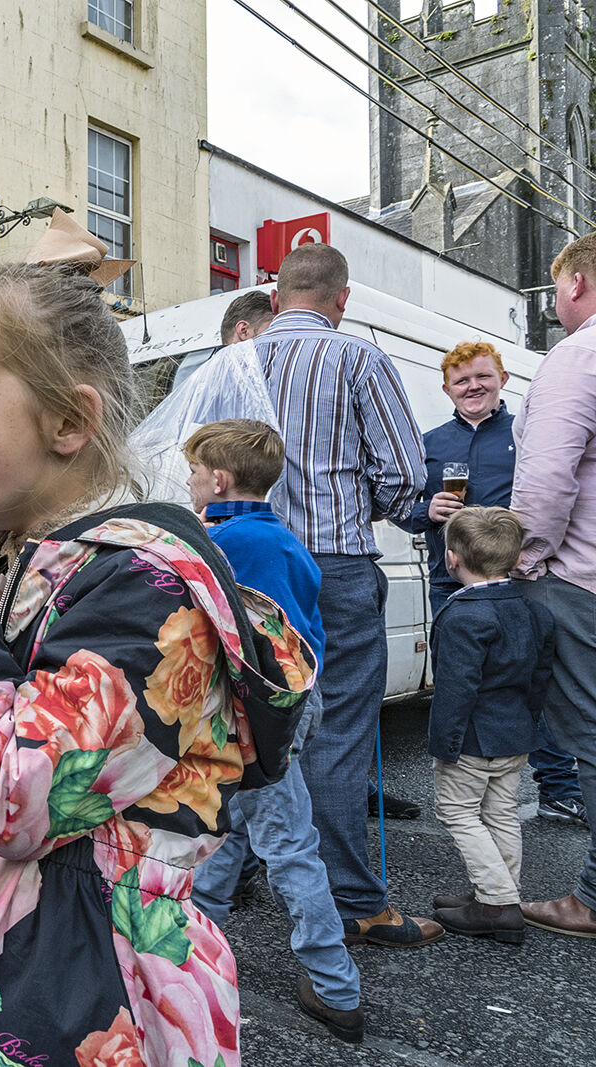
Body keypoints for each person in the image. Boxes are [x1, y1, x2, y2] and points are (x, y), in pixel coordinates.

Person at [0, 264, 313, 1067]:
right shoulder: (24, 568)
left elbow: (11, 799)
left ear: (68, 420)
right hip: (8, 977)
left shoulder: (141, 590)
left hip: (99, 1005)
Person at [253, 242, 436, 946]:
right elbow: (403, 475)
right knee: (338, 731)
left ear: (275, 298)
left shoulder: (236, 361)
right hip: (334, 562)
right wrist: (365, 502)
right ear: (343, 298)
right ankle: (353, 900)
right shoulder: (359, 359)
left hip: (246, 561)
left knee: (253, 722)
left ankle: (229, 882)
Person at [183, 420, 362, 1045]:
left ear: (220, 480)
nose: (190, 481)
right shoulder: (280, 539)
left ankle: (335, 984)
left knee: (288, 844)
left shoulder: (229, 545)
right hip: (291, 708)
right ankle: (189, 940)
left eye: (197, 473)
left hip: (256, 716)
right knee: (229, 829)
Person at [393, 341, 586, 825]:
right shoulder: (429, 442)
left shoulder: (527, 434)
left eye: (482, 377)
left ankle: (559, 790)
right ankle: (469, 795)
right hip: (450, 584)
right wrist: (425, 511)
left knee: (535, 685)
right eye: (461, 380)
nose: (472, 386)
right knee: (460, 688)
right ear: (446, 388)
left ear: (501, 379)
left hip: (519, 582)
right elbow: (403, 508)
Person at [511, 232, 596, 938]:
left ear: (572, 284)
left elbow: (544, 479)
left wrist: (527, 559)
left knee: (590, 738)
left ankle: (593, 896)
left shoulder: (576, 356)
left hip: (581, 581)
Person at [428, 507, 554, 943]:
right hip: (516, 733)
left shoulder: (463, 615)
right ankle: (498, 894)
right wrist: (528, 724)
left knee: (458, 812)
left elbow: (455, 690)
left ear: (452, 560)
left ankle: (497, 903)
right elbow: (539, 679)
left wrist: (443, 744)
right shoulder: (535, 611)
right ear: (515, 558)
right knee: (500, 813)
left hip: (472, 739)